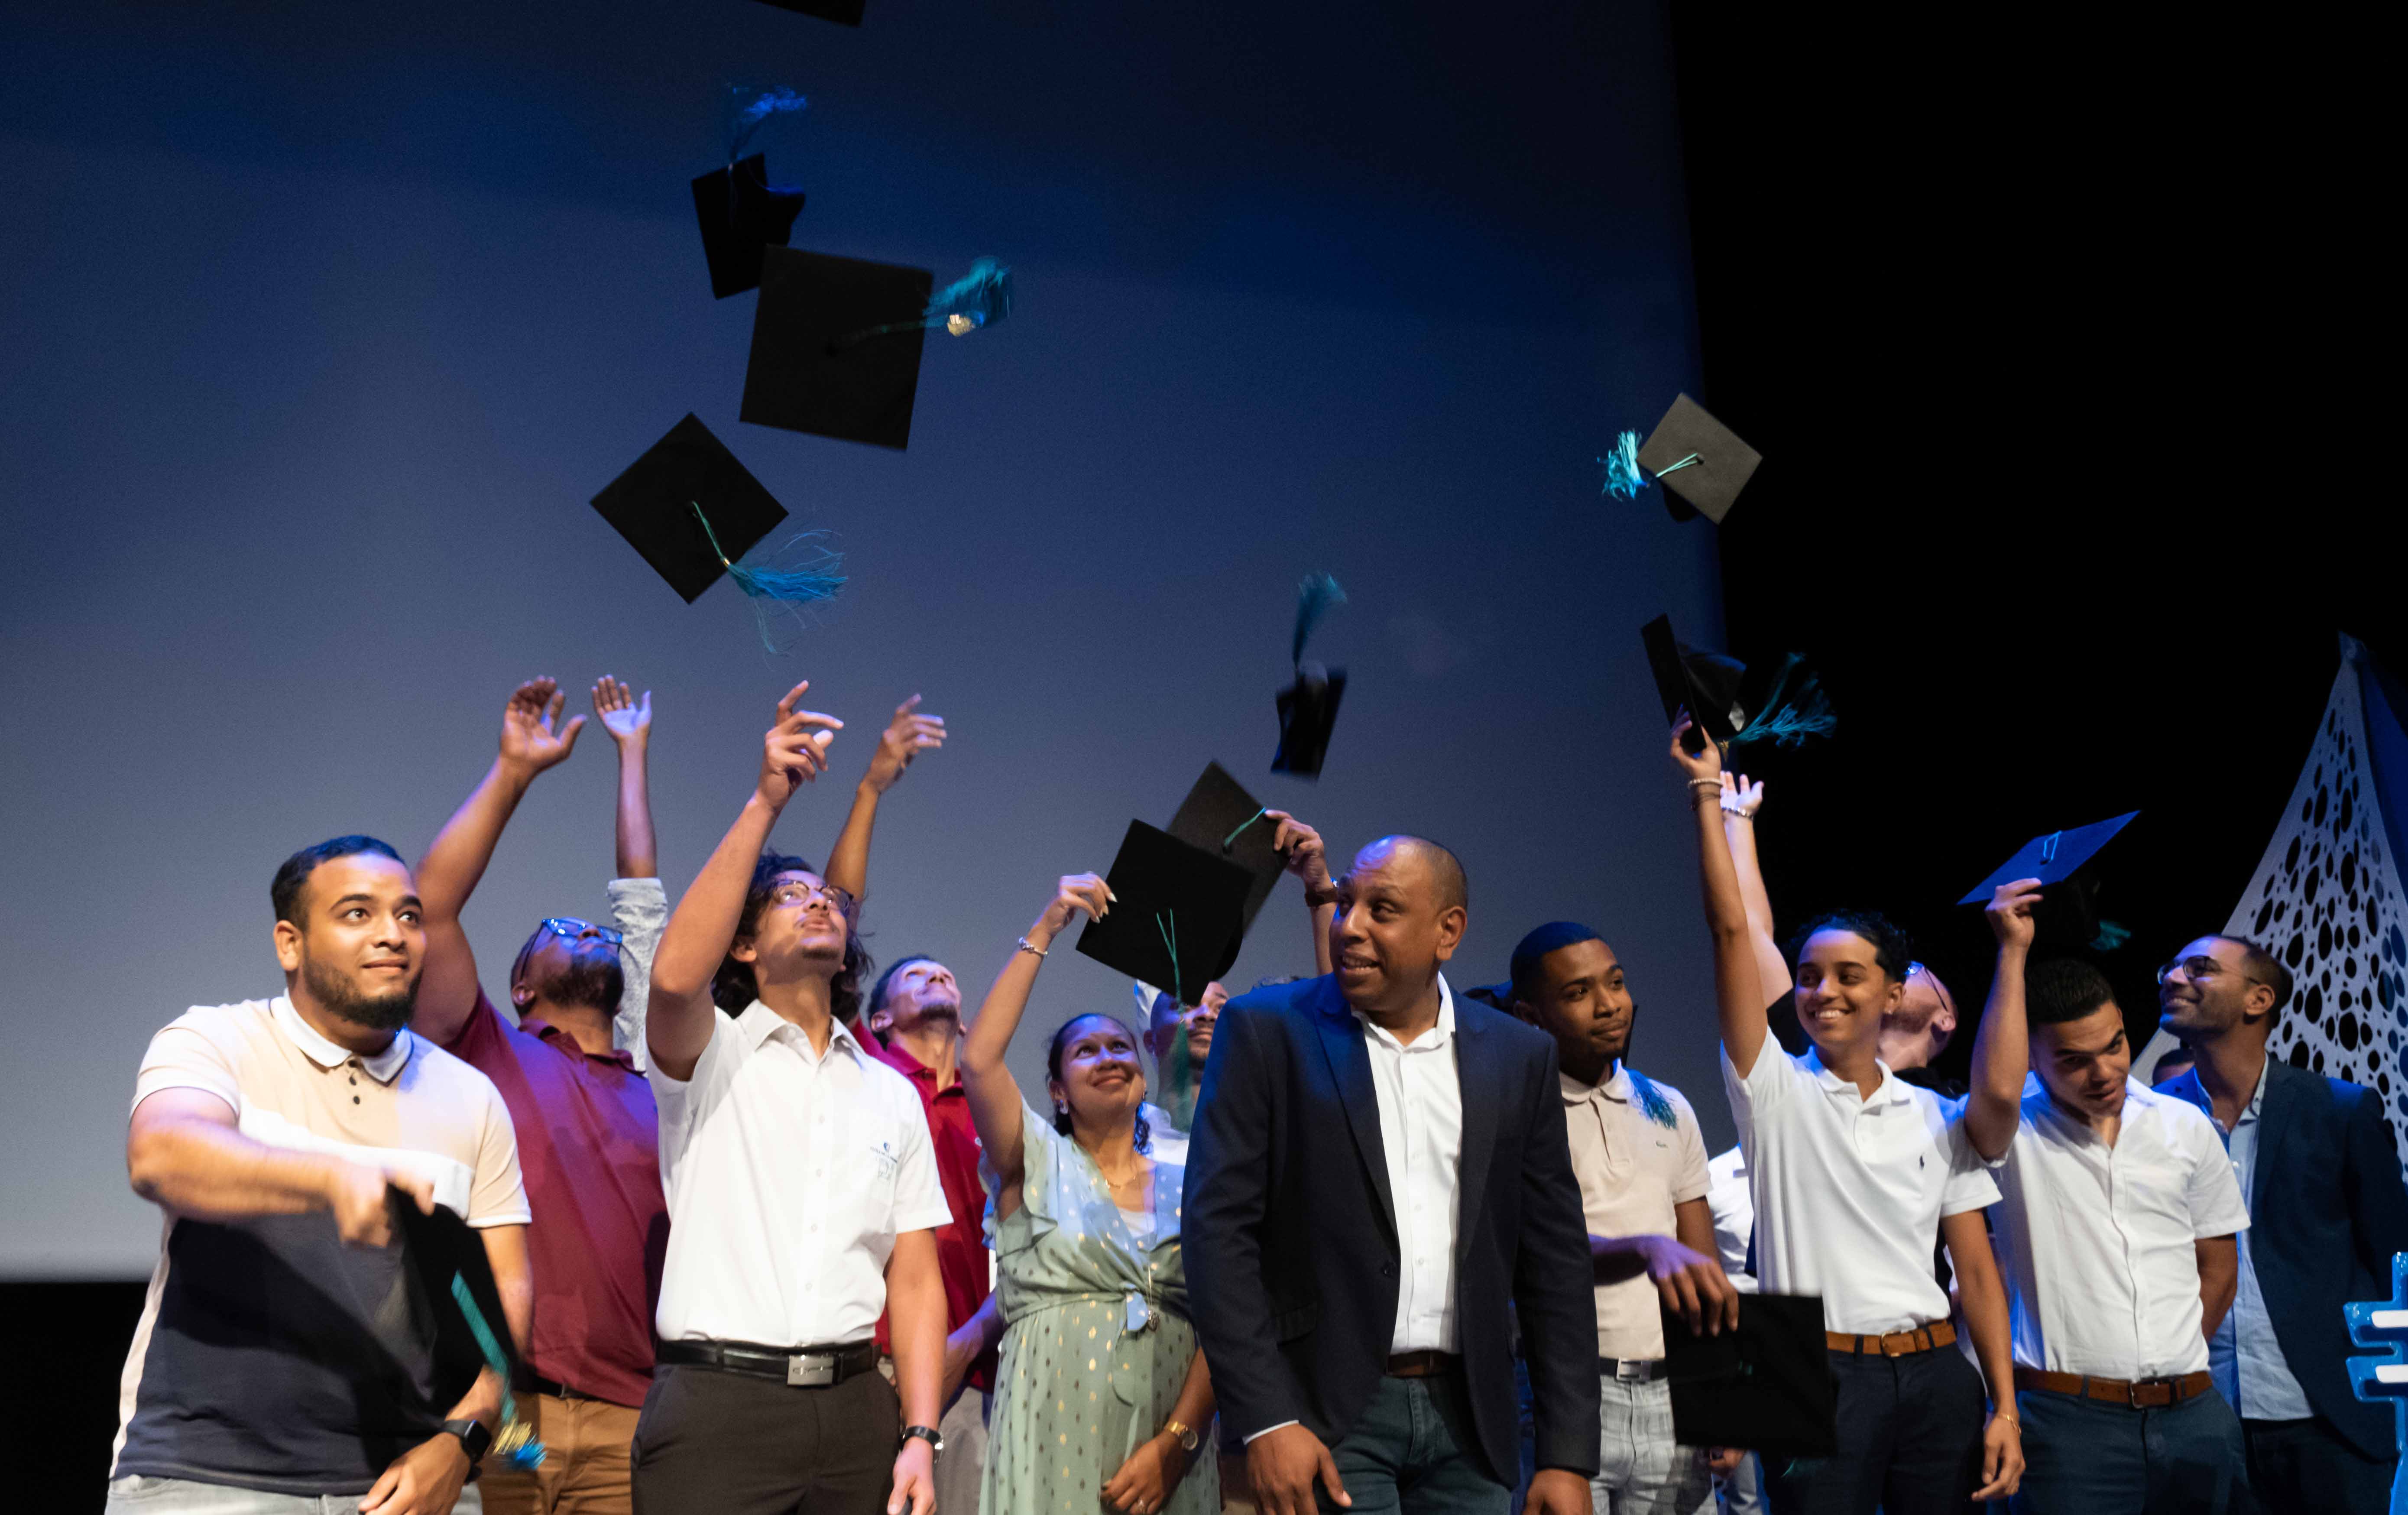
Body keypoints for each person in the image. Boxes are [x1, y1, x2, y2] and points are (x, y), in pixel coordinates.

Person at [111, 834, 532, 1515]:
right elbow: (160, 1152)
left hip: (412, 1485)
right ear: (290, 942)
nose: (393, 935)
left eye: (409, 916)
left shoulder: (472, 1095)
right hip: (206, 1479)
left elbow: (505, 1306)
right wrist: (331, 1179)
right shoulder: (216, 1041)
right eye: (358, 913)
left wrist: (462, 1441)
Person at [1186, 834, 1601, 1515]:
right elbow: (1217, 1236)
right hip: (1323, 1413)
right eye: (1346, 901)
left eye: (1382, 908)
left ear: (1449, 931)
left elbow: (1554, 1257)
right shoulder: (1267, 1031)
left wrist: (1565, 1454)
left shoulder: (1519, 1056)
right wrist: (1265, 1417)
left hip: (1474, 1419)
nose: (1350, 926)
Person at [1671, 717, 2020, 1512]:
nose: (1823, 990)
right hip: (1806, 1363)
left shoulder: (1934, 1114)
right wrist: (1707, 797)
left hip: (1935, 1368)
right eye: (1808, 975)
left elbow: (1977, 1272)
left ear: (1893, 994)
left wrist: (2003, 1404)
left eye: (1848, 975)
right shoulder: (1773, 1089)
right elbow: (1735, 931)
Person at [635, 681, 950, 1515]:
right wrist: (768, 797)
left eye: (825, 896)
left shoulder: (891, 1093)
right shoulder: (709, 1052)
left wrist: (920, 1433)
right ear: (742, 945)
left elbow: (915, 1278)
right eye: (788, 894)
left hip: (856, 1412)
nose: (818, 898)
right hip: (719, 1409)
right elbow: (671, 976)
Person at [408, 677, 671, 1515]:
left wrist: (634, 757)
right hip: (507, 1412)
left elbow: (643, 905)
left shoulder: (662, 1084)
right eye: (563, 930)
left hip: (632, 1416)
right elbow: (432, 907)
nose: (589, 930)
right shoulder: (491, 1052)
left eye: (598, 933)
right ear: (522, 982)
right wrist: (513, 773)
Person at [1961, 882, 2251, 1512]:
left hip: (2194, 1416)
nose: (2105, 1071)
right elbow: (1995, 1092)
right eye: (2074, 1060)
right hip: (2067, 1424)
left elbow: (2219, 1267)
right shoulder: (2012, 1132)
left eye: (2115, 1045)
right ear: (2033, 1057)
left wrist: (2171, 1362)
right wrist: (2012, 953)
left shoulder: (2182, 1126)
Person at [961, 870, 1223, 1515]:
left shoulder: (1192, 1177)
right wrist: (1048, 926)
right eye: (1086, 1050)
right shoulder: (1034, 1161)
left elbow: (1228, 1317)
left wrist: (1178, 1441)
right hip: (1052, 1432)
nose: (1110, 1056)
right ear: (1056, 1088)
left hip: (1173, 1443)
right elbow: (980, 1062)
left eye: (1121, 1046)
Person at [2155, 930, 2408, 1510]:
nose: (2173, 979)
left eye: (2199, 969)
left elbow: (2396, 1253)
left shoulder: (2340, 1109)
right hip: (2202, 1414)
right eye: (2170, 968)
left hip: (2331, 1418)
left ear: (2258, 999)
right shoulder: (2155, 1115)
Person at [1504, 921, 1735, 1515]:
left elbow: (1701, 1264)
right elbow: (1533, 1252)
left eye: (1617, 983)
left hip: (1672, 1394)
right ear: (1530, 1015)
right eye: (1579, 992)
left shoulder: (1669, 1105)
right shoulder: (1515, 1114)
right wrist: (1643, 1247)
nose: (1610, 1004)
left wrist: (1720, 1395)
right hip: (1564, 1396)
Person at [864, 955, 1006, 1515]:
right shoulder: (869, 1079)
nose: (939, 977)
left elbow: (1029, 1245)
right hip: (874, 1363)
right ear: (877, 1020)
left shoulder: (995, 1113)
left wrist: (974, 1335)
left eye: (947, 973)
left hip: (971, 1370)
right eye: (916, 976)